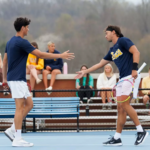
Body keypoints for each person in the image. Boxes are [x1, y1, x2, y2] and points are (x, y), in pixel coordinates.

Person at [2, 17, 74, 147]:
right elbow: (40, 55)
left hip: (17, 79)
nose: (28, 29)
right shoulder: (21, 42)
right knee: (19, 108)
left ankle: (12, 129)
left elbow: (5, 60)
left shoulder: (10, 42)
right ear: (23, 28)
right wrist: (60, 56)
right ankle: (17, 139)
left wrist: (5, 79)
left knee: (29, 104)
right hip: (17, 79)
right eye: (27, 27)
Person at [75, 25, 148, 146]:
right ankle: (117, 138)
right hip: (122, 79)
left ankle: (141, 131)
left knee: (125, 104)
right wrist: (84, 72)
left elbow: (136, 52)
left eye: (106, 33)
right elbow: (99, 64)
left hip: (129, 77)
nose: (105, 35)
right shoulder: (112, 50)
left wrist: (134, 69)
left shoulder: (123, 40)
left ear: (114, 32)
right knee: (120, 108)